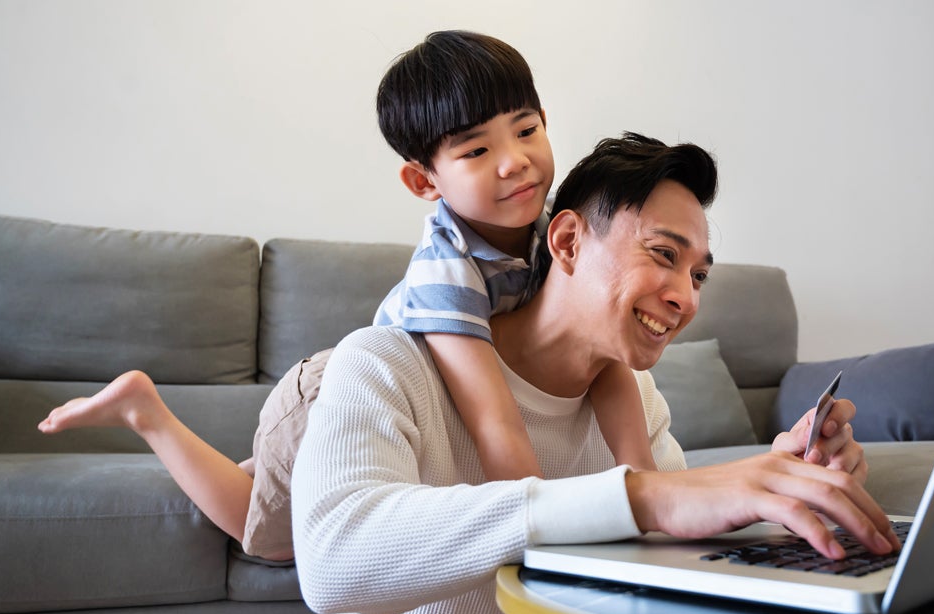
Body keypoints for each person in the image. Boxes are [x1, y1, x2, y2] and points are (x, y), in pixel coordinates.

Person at [285, 132, 899, 614]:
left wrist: (786, 489)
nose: (686, 297)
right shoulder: (388, 359)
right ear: (570, 241)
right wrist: (637, 496)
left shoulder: (637, 397)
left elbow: (674, 551)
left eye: (699, 274)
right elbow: (330, 559)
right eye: (664, 255)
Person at [36, 30, 655, 562]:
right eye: (476, 150)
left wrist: (650, 494)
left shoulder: (558, 230)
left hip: (400, 408)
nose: (516, 161)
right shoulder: (447, 272)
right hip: (331, 395)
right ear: (423, 181)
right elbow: (495, 424)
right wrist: (550, 548)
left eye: (527, 129)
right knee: (273, 537)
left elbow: (602, 358)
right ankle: (148, 412)